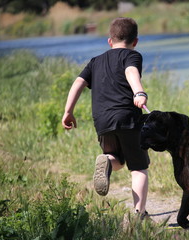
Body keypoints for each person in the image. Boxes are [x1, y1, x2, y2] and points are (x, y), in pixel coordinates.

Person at [61, 17, 150, 218]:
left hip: (102, 121)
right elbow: (131, 71)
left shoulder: (95, 61)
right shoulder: (132, 55)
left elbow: (78, 83)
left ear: (110, 41)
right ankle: (138, 214)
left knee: (116, 159)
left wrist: (68, 111)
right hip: (128, 118)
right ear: (135, 41)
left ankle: (107, 162)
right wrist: (139, 92)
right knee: (138, 168)